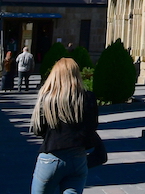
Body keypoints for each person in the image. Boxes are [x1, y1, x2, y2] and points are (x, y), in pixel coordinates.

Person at [29, 57, 98, 194]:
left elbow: (38, 130)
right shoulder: (88, 97)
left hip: (51, 157)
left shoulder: (47, 98)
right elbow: (92, 127)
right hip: (78, 157)